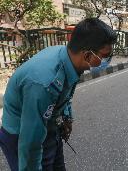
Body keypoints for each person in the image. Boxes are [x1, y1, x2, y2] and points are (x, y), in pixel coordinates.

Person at [0, 18, 116, 171]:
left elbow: (64, 94)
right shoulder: (44, 83)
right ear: (87, 55)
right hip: (21, 133)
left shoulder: (69, 58)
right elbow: (30, 143)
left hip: (48, 124)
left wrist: (66, 116)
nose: (107, 60)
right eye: (105, 55)